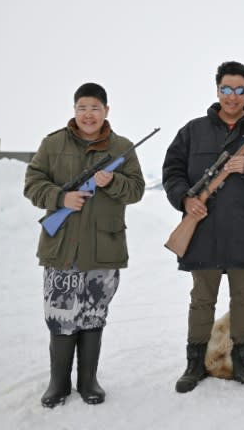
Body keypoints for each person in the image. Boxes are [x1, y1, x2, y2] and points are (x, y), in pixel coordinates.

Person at [162, 60, 244, 393]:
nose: (232, 96)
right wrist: (184, 200)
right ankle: (195, 364)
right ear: (217, 89)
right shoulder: (192, 131)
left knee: (243, 301)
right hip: (203, 232)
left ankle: (242, 361)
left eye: (239, 90)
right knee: (201, 301)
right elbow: (173, 171)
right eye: (226, 89)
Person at [24, 82, 146, 407]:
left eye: (95, 108)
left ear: (106, 110)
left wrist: (113, 181)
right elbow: (32, 184)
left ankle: (88, 381)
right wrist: (61, 197)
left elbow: (136, 190)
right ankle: (58, 383)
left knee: (93, 313)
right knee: (61, 316)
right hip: (62, 246)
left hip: (104, 247)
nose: (88, 114)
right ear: (74, 110)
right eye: (82, 108)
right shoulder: (52, 144)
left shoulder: (122, 147)